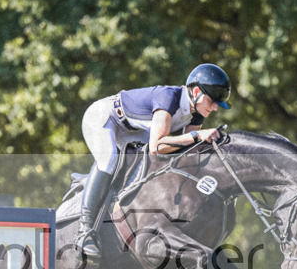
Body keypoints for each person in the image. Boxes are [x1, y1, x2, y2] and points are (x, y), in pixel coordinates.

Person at [75, 63, 232, 259]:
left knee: (152, 166)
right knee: (108, 160)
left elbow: (183, 149)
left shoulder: (198, 112)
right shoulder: (169, 97)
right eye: (212, 101)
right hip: (104, 117)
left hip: (134, 130)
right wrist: (198, 136)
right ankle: (85, 232)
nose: (215, 108)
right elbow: (157, 146)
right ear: (197, 91)